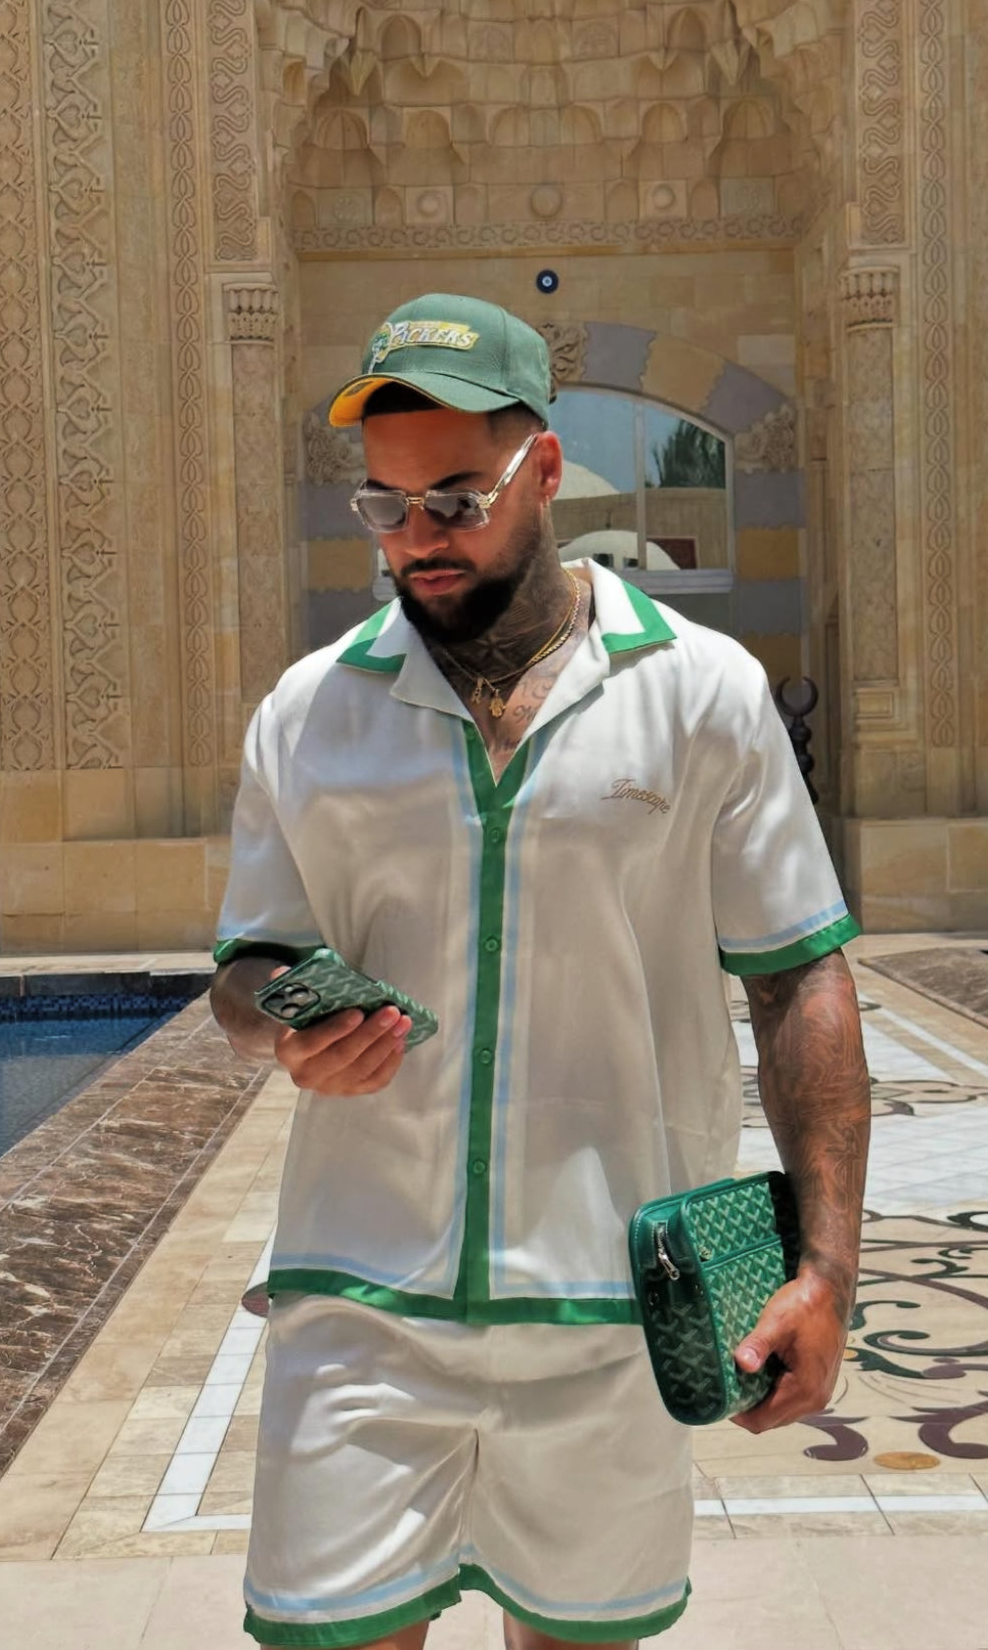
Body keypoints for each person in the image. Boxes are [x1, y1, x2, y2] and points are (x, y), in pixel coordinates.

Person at [211, 294, 871, 1650]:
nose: (417, 539)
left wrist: (826, 1269)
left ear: (546, 470)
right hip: (362, 1307)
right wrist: (281, 1022)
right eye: (385, 507)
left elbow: (799, 979)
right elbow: (249, 958)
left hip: (615, 1308)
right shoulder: (309, 711)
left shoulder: (701, 691)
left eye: (455, 500)